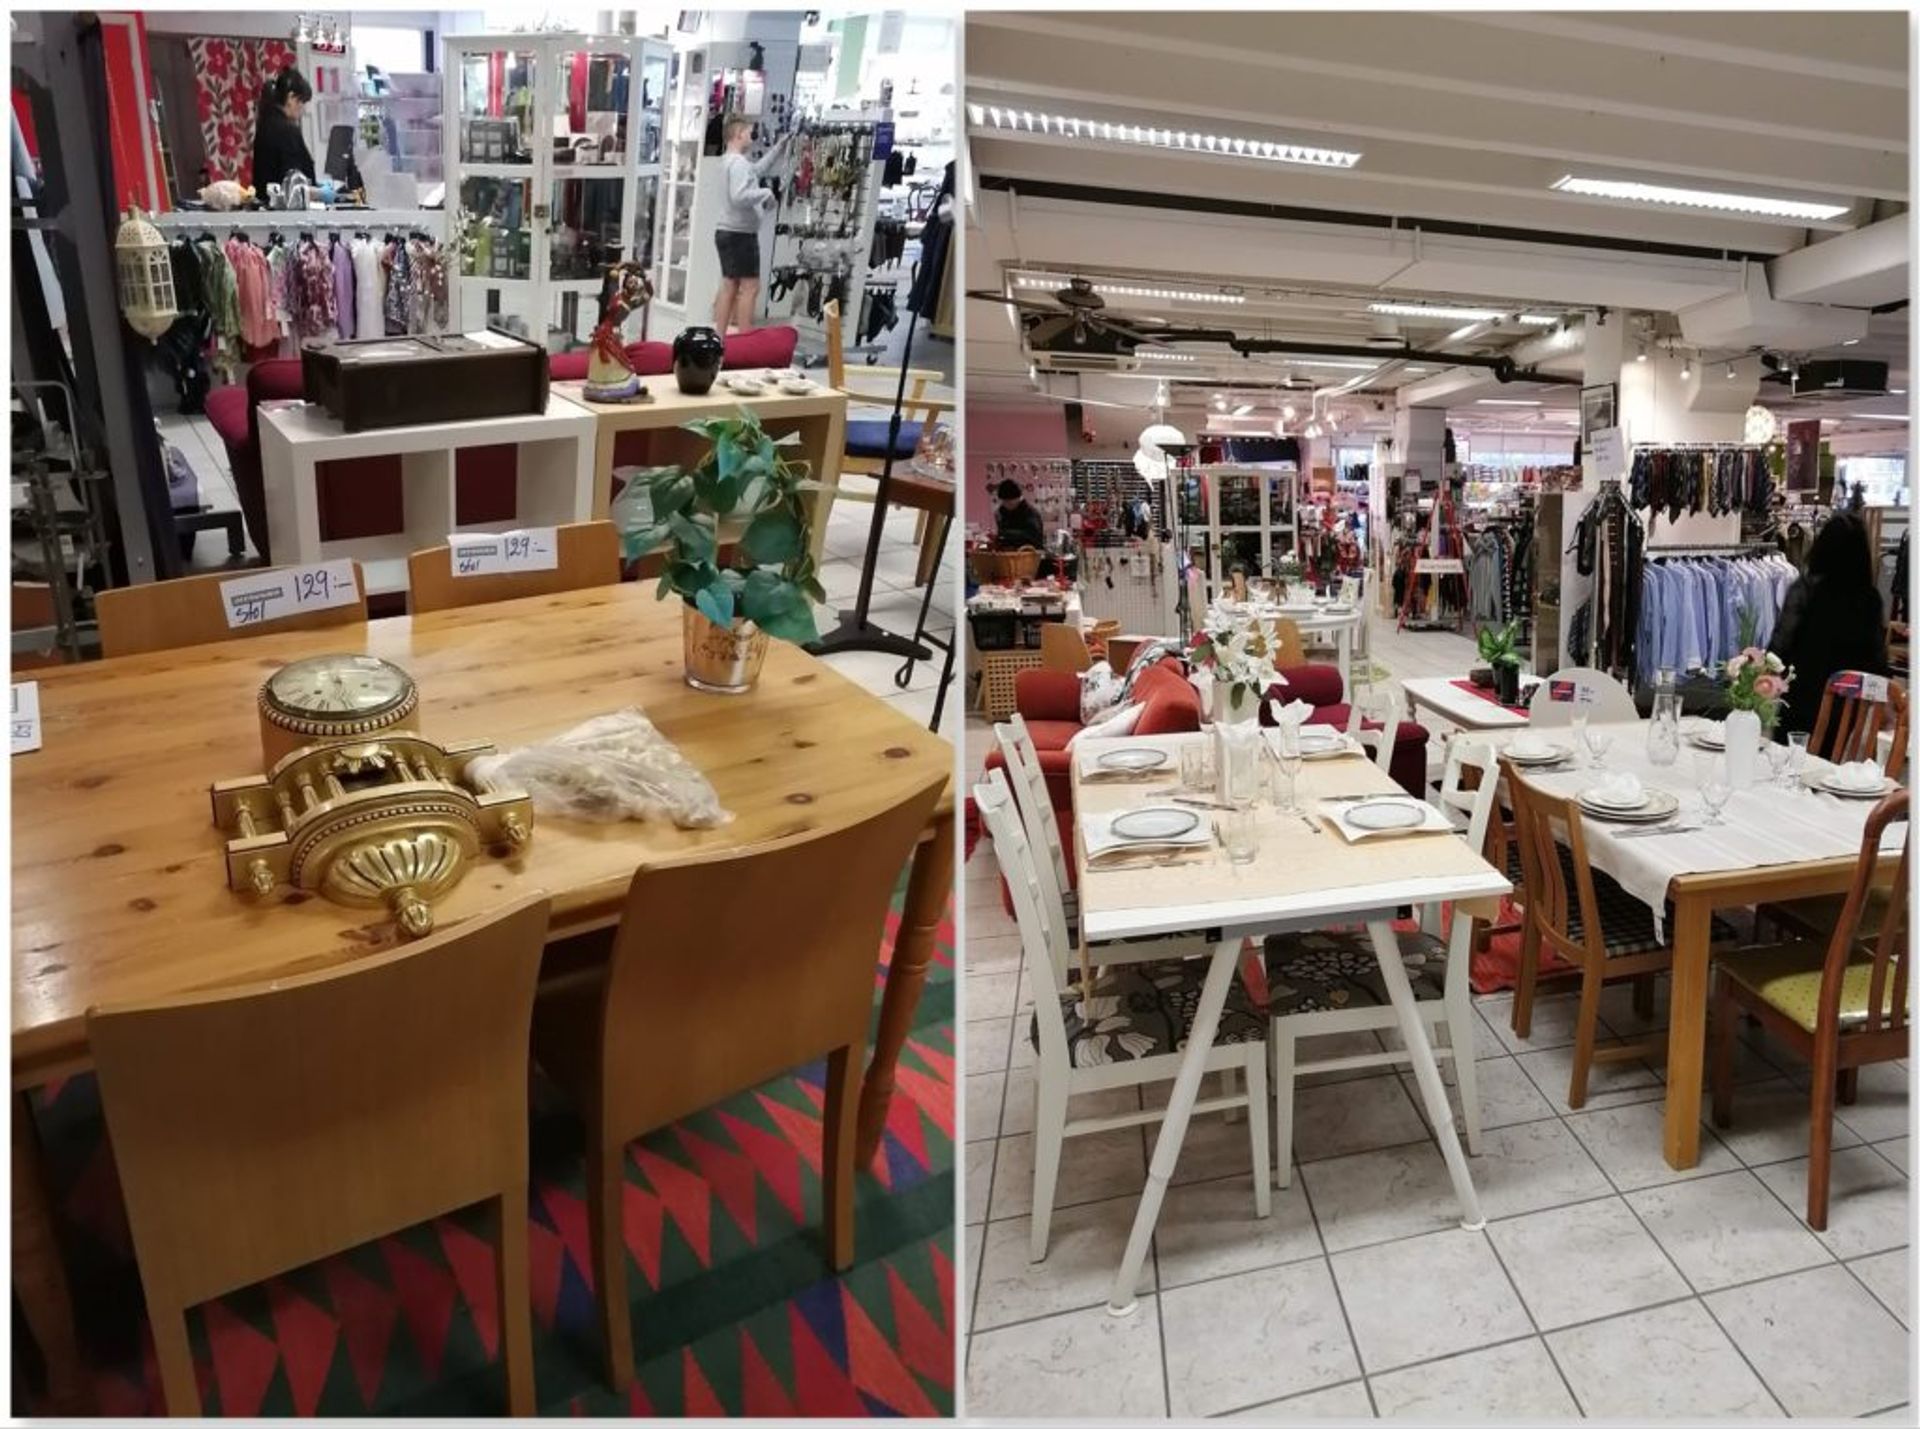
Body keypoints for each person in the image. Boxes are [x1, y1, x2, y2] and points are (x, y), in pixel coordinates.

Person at [1767, 511, 1889, 738]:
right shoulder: (1869, 598)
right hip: (1847, 703)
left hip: (1802, 695)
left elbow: (1780, 645)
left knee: (1791, 757)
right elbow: (1877, 658)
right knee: (1832, 763)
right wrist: (1883, 703)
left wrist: (1766, 675)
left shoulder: (1805, 590)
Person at [711, 116, 793, 333]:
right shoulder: (737, 163)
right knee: (750, 287)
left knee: (729, 286)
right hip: (740, 235)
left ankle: (720, 337)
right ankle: (744, 338)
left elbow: (755, 171)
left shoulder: (728, 161)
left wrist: (778, 147)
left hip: (727, 231)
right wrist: (766, 193)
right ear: (738, 134)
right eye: (748, 132)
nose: (751, 137)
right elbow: (739, 196)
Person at [250, 65, 315, 192]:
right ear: (291, 98)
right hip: (286, 207)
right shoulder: (287, 131)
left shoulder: (265, 124)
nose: (303, 109)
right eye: (301, 102)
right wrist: (321, 193)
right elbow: (293, 185)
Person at [993, 479, 1046, 551]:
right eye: (1004, 501)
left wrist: (1005, 534)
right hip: (1008, 555)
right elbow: (1002, 534)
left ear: (1019, 498)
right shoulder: (1002, 512)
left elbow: (1033, 536)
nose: (1006, 505)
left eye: (1009, 502)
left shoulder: (1030, 513)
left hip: (1029, 555)